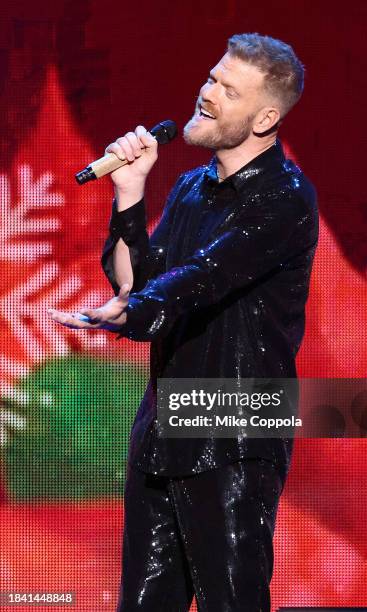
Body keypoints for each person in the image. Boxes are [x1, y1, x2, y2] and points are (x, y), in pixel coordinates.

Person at [48, 33, 319, 612]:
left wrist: (135, 310)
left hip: (235, 425)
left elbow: (204, 276)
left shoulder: (285, 197)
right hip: (166, 425)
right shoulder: (192, 188)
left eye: (229, 89)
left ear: (266, 117)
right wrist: (129, 191)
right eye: (212, 78)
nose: (209, 94)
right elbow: (138, 287)